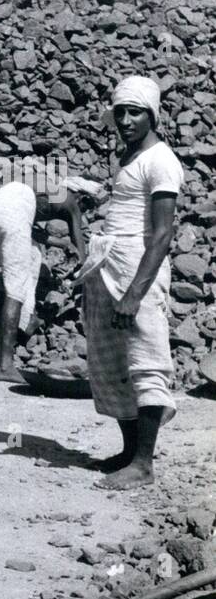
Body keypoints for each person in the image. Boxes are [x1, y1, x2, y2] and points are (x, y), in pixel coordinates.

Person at [74, 75, 182, 490]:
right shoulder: (130, 157)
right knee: (114, 361)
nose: (124, 120)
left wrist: (135, 292)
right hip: (110, 265)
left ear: (151, 114)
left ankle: (143, 463)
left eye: (133, 112)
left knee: (145, 359)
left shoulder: (161, 160)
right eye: (119, 112)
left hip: (138, 268)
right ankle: (128, 451)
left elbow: (161, 234)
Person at [0, 174, 105, 382]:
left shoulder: (45, 192)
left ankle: (24, 322)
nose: (85, 212)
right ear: (82, 197)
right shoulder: (69, 200)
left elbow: (30, 231)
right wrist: (85, 272)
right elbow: (78, 239)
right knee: (16, 286)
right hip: (12, 211)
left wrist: (62, 244)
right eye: (88, 206)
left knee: (33, 255)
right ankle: (4, 365)